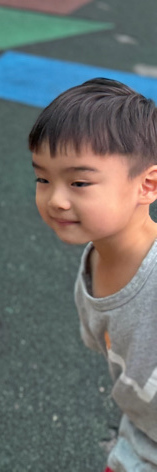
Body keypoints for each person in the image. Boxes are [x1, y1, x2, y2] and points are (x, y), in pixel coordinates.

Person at [29, 78, 157, 472]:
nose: (56, 199)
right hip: (139, 437)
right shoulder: (94, 263)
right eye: (43, 179)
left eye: (79, 183)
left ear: (147, 185)